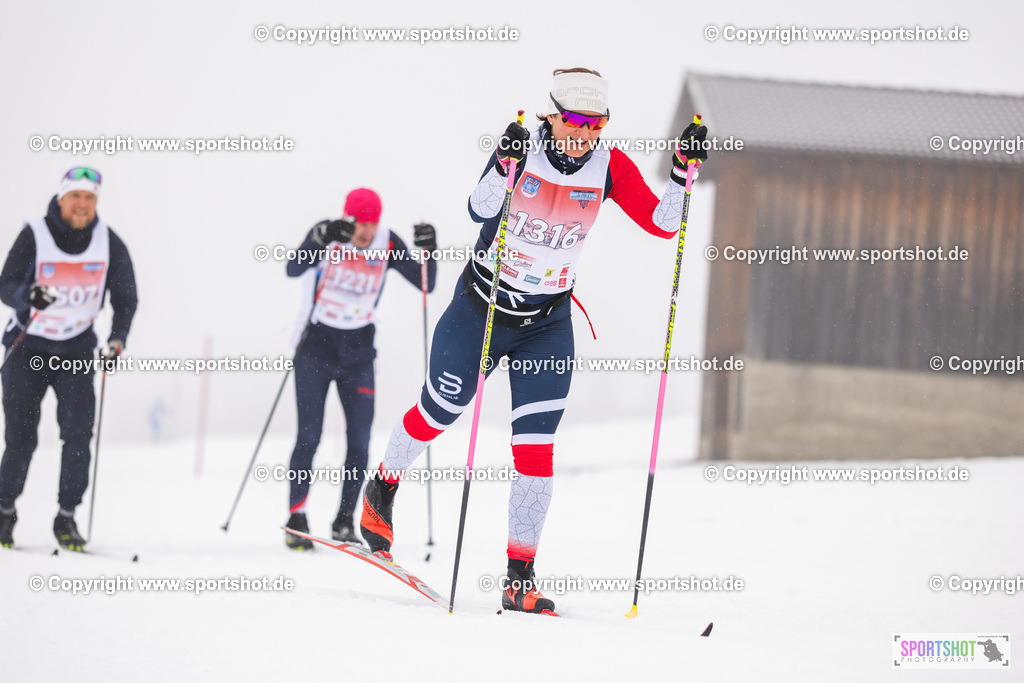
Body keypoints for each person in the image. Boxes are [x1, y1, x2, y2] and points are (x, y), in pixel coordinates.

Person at [360, 68, 709, 613]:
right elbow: (478, 209)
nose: (583, 134)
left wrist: (682, 178)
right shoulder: (521, 148)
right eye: (573, 121)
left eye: (596, 124)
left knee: (536, 450)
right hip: (482, 305)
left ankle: (519, 576)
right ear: (550, 115)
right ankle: (383, 484)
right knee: (442, 407)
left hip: (546, 321)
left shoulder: (610, 165)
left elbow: (663, 225)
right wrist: (502, 168)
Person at [283, 187, 437, 550]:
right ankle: (296, 517)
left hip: (359, 353)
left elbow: (425, 283)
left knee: (360, 441)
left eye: (372, 223)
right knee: (309, 435)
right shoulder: (329, 231)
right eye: (360, 223)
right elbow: (293, 268)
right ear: (348, 217)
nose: (366, 232)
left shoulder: (386, 241)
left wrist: (430, 251)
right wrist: (319, 241)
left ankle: (343, 521)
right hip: (316, 348)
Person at [0, 167, 138, 550]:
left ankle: (66, 518)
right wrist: (28, 294)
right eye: (76, 196)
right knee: (21, 438)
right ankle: (4, 511)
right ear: (62, 198)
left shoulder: (109, 242)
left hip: (76, 350)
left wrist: (117, 339)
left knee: (78, 437)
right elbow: (6, 283)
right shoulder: (35, 233)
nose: (82, 204)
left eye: (90, 198)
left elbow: (126, 299)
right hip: (28, 347)